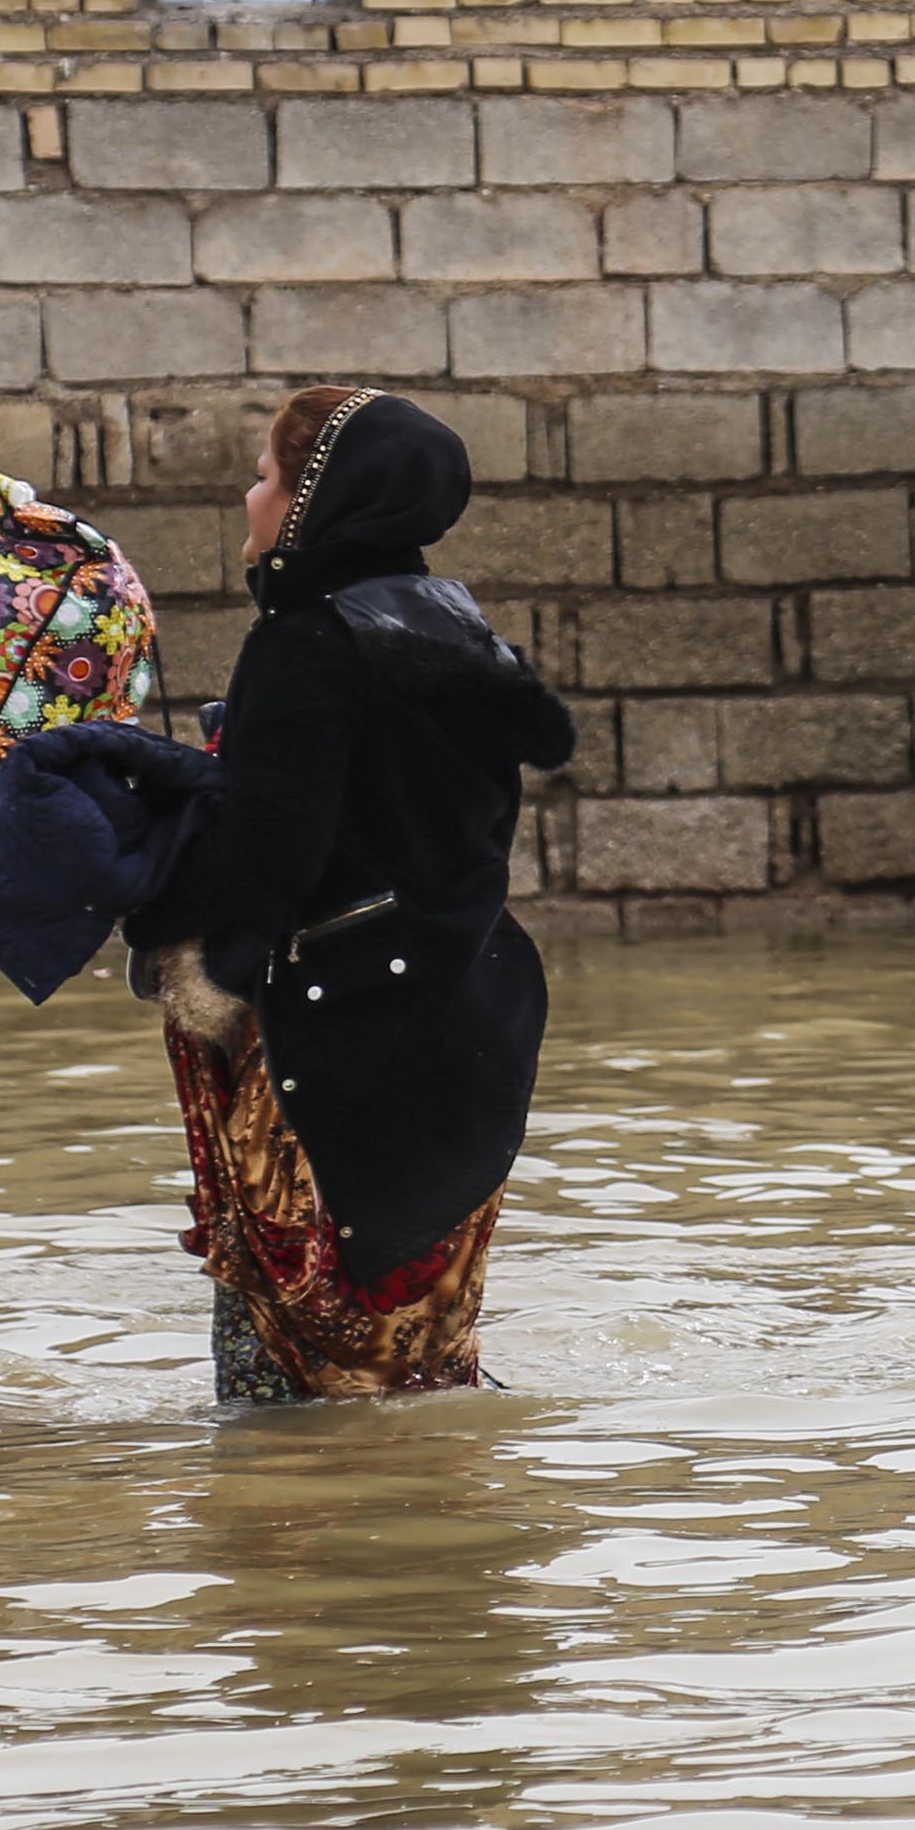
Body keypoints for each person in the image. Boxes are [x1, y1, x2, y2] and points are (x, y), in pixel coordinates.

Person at [125, 384, 571, 1400]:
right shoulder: (456, 624)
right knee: (424, 1366)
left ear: (316, 502)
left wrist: (146, 871)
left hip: (335, 1050)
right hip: (468, 1031)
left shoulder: (307, 644)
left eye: (267, 476)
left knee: (294, 1401)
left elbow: (266, 865)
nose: (251, 498)